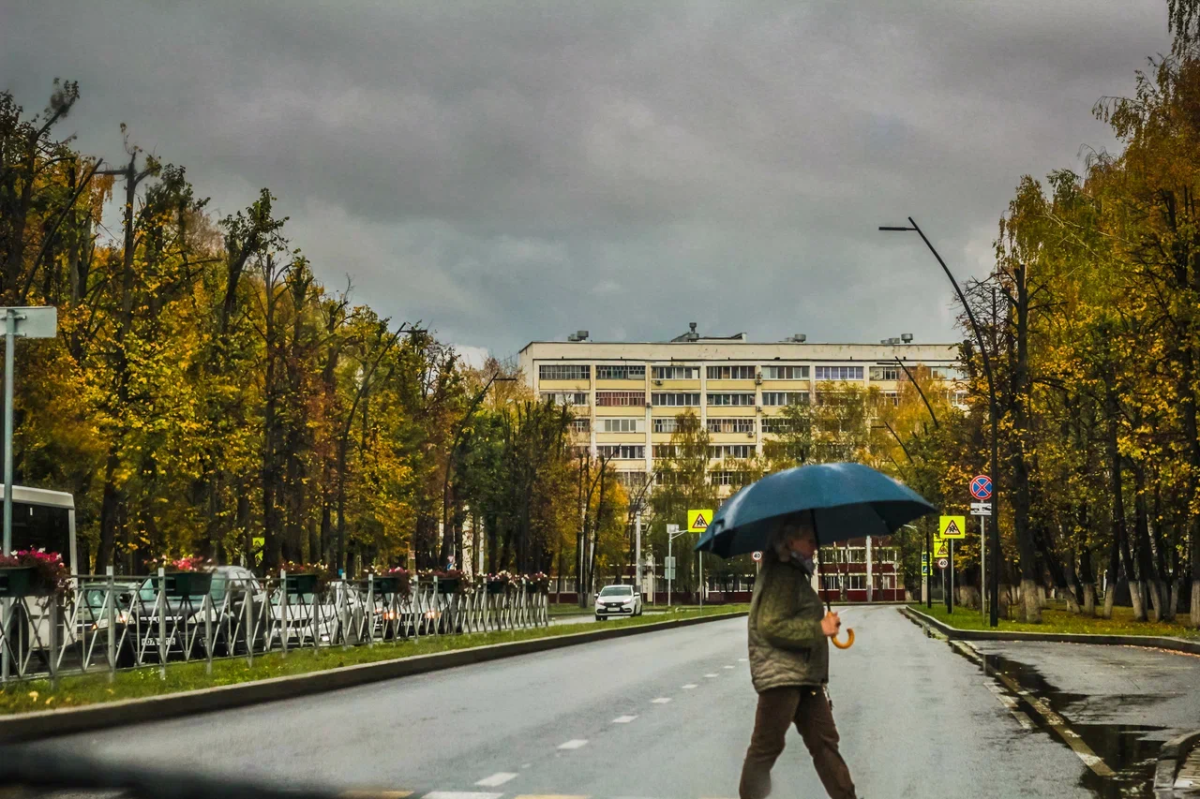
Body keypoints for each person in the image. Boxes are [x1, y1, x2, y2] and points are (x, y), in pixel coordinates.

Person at [738, 511, 857, 799]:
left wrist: (823, 625)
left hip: (805, 677)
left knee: (825, 744)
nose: (815, 547)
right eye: (810, 540)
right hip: (783, 677)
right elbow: (770, 625)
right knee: (767, 747)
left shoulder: (794, 574)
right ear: (790, 542)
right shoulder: (781, 574)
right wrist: (819, 627)